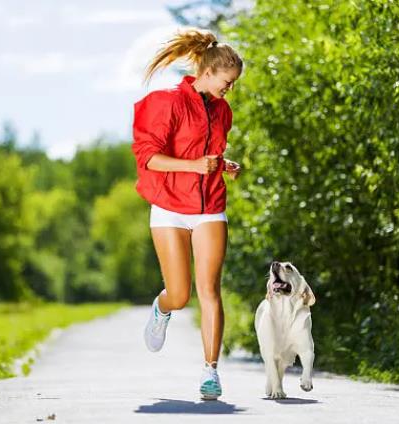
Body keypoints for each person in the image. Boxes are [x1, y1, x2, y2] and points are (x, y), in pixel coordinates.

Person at [131, 28, 243, 401]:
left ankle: (210, 372)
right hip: (168, 207)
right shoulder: (166, 103)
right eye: (227, 82)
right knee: (180, 295)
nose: (230, 89)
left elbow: (205, 154)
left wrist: (222, 165)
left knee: (209, 289)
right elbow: (149, 158)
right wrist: (196, 166)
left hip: (210, 206)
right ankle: (162, 308)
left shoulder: (222, 111)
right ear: (209, 72)